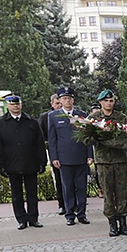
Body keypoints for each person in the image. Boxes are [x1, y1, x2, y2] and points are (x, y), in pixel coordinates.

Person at [88, 90, 127, 237]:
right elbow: (86, 140)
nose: (109, 103)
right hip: (103, 161)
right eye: (106, 101)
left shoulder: (121, 117)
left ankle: (123, 223)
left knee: (122, 192)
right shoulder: (93, 118)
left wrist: (126, 154)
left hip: (120, 160)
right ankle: (112, 224)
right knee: (108, 193)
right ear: (100, 102)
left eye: (111, 101)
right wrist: (98, 135)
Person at [0, 93, 46, 230]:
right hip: (12, 163)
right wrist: (1, 165)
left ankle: (33, 218)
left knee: (32, 193)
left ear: (21, 104)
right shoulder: (0, 123)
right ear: (8, 105)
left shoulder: (31, 121)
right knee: (17, 195)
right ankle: (21, 219)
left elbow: (39, 143)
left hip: (30, 162)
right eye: (13, 104)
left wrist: (42, 162)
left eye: (18, 103)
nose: (16, 106)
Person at [47, 86, 93, 226]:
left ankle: (82, 213)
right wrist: (54, 157)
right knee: (67, 187)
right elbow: (52, 139)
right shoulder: (53, 116)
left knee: (81, 187)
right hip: (64, 158)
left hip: (80, 156)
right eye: (64, 98)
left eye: (70, 98)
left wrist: (90, 154)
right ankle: (69, 215)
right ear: (60, 100)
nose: (67, 101)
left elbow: (88, 136)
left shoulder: (81, 115)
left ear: (73, 100)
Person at [38, 94, 65, 215]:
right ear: (51, 104)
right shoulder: (45, 117)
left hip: (69, 151)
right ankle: (62, 204)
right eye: (57, 103)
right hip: (55, 151)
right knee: (59, 179)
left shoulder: (69, 115)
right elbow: (41, 136)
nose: (59, 105)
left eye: (61, 103)